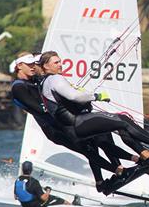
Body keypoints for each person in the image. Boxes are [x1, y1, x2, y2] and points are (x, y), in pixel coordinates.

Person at [9, 52, 135, 190]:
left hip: (62, 124)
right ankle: (119, 171)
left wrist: (76, 95)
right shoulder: (18, 87)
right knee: (89, 150)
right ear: (19, 66)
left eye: (34, 64)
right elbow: (42, 109)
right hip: (54, 130)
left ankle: (109, 175)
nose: (33, 67)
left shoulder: (34, 81)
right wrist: (71, 101)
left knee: (98, 140)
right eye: (30, 64)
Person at [37, 51, 149, 162]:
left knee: (119, 125)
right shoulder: (54, 79)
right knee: (123, 120)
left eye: (60, 61)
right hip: (77, 122)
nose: (60, 64)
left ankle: (145, 154)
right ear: (46, 66)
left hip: (72, 126)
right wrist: (96, 96)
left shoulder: (45, 82)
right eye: (56, 62)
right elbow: (75, 97)